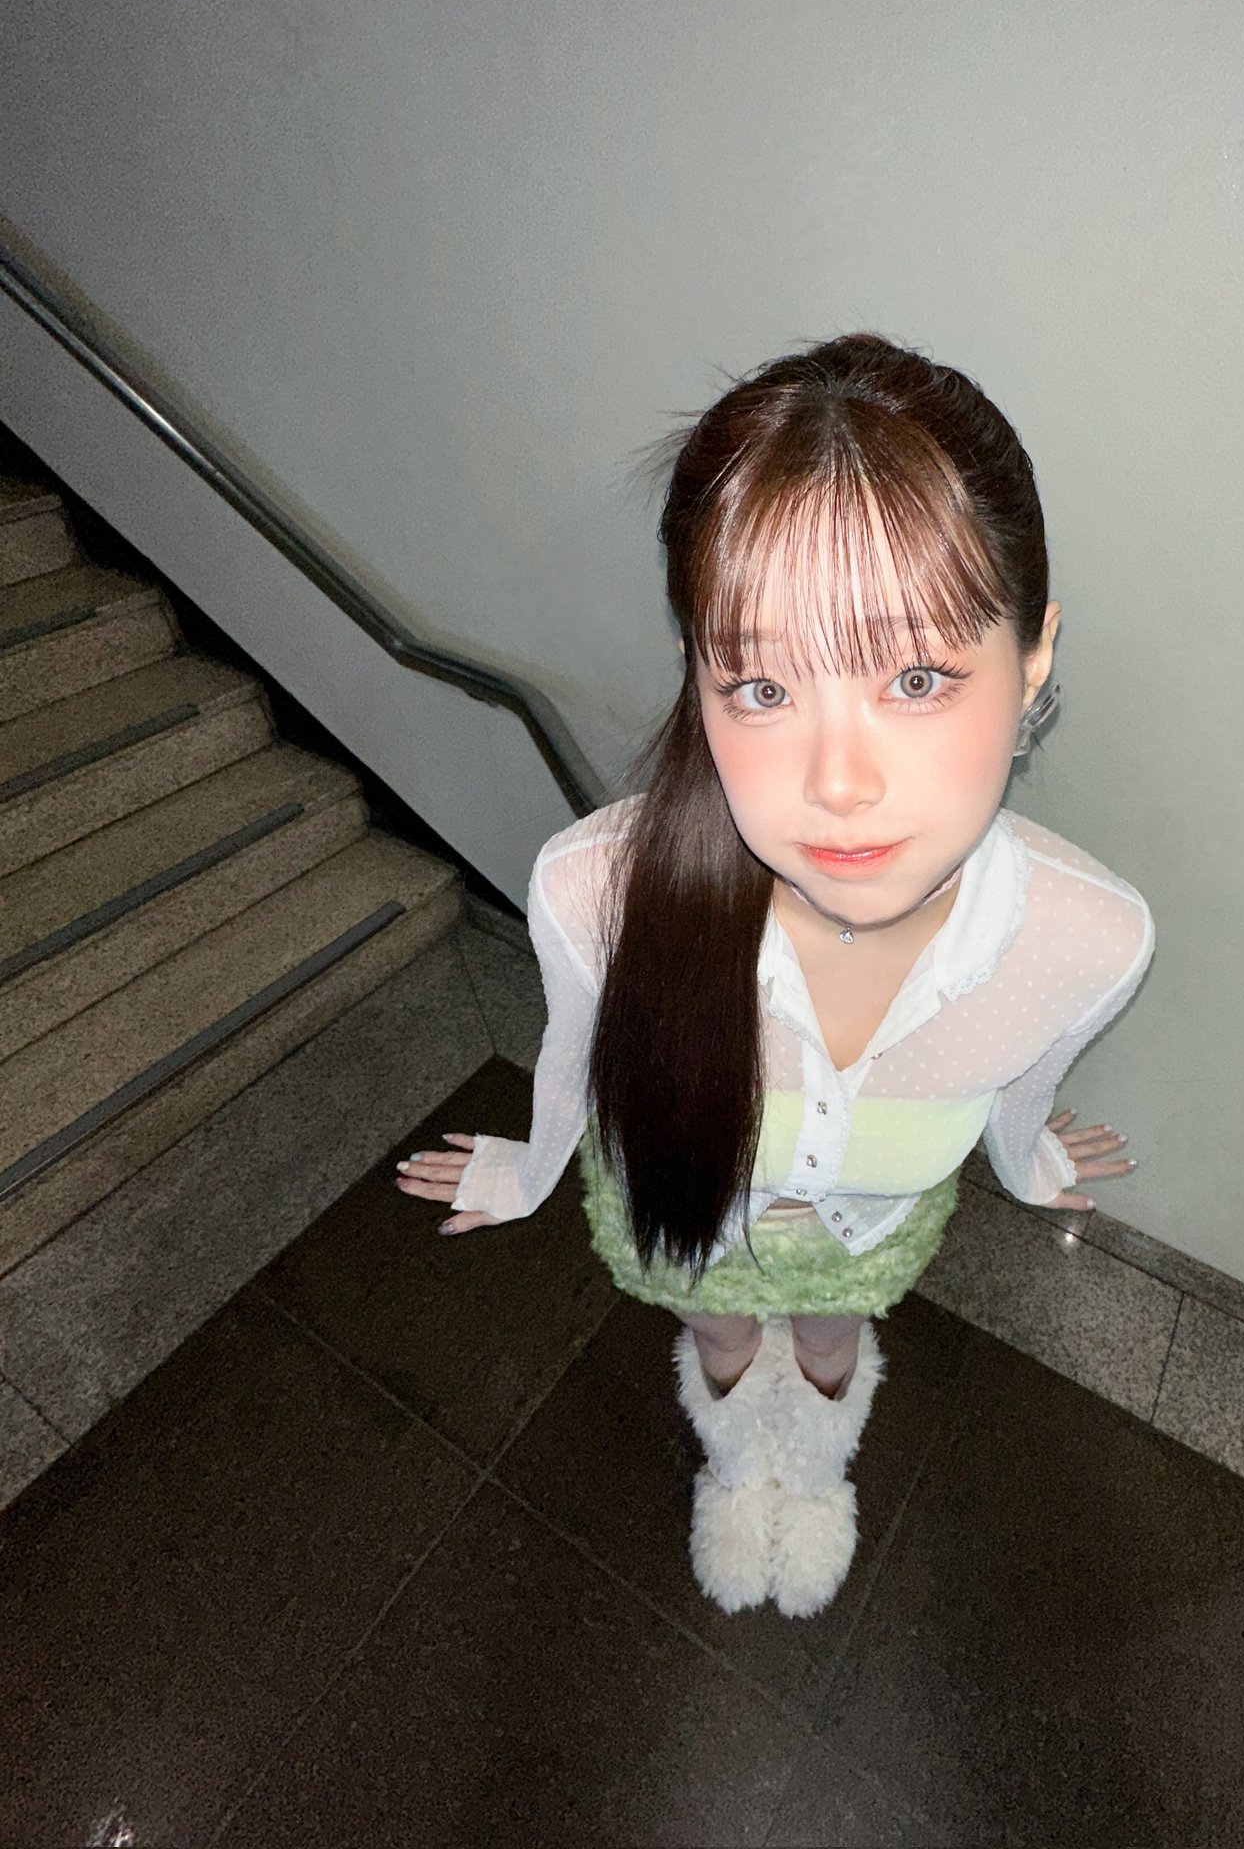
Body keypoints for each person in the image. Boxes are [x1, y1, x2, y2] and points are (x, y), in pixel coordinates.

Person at [394, 332, 1155, 1620]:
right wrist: (525, 1173)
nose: (837, 782)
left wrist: (1028, 1158)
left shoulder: (1086, 942)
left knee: (832, 1339)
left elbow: (1022, 1088)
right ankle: (738, 1465)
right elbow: (575, 1061)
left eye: (916, 677)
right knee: (720, 1334)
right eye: (760, 686)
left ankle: (816, 1472)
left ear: (1033, 660)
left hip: (863, 1241)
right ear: (700, 680)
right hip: (684, 1222)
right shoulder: (596, 892)